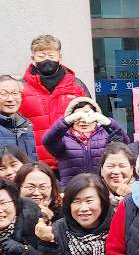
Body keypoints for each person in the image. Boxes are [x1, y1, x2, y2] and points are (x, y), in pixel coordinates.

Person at [18, 34, 91, 167]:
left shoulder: (76, 86)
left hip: (72, 160)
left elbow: (91, 120)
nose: (46, 59)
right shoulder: (20, 88)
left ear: (59, 57)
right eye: (41, 56)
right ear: (33, 59)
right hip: (35, 163)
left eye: (51, 56)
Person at [43, 96, 130, 187]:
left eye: (88, 115)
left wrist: (109, 123)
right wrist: (65, 122)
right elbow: (48, 141)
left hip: (101, 189)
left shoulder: (105, 135)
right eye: (78, 117)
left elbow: (124, 143)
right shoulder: (64, 138)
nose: (83, 121)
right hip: (72, 190)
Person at [40, 174, 113, 255]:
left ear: (103, 202)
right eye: (76, 201)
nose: (83, 208)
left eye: (89, 201)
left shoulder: (117, 227)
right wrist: (47, 243)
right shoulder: (58, 229)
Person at [98, 142, 137, 213]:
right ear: (101, 170)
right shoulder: (95, 196)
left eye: (122, 166)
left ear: (132, 169)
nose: (116, 171)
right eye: (110, 166)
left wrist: (128, 199)